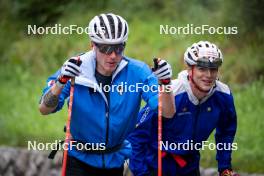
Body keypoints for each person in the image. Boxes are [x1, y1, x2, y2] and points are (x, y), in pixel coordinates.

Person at [38, 13, 175, 176]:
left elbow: (167, 112)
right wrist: (61, 82)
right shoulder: (74, 69)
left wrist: (166, 83)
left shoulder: (138, 72)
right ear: (92, 45)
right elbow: (44, 109)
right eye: (105, 48)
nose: (112, 55)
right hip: (78, 160)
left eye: (118, 48)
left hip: (114, 160)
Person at [128, 41, 238, 176]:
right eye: (202, 69)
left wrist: (225, 167)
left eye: (213, 69)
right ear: (190, 69)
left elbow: (226, 132)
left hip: (190, 165)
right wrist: (141, 172)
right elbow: (136, 134)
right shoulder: (171, 92)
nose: (208, 75)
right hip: (156, 165)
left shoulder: (224, 95)